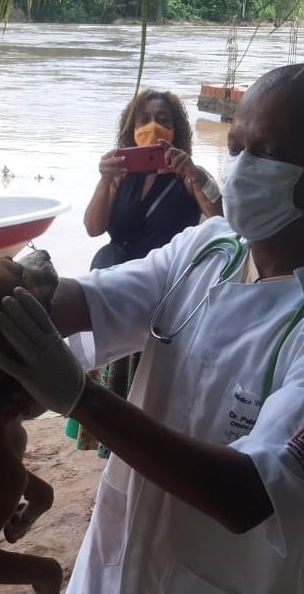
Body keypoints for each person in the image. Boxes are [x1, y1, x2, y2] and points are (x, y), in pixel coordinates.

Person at [0, 63, 304, 593]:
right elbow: (89, 300)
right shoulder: (207, 248)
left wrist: (84, 400)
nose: (241, 167)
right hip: (116, 564)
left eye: (268, 152)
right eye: (236, 146)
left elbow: (250, 494)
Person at [70, 89, 222, 457]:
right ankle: (111, 448)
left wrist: (194, 176)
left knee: (147, 381)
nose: (153, 127)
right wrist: (105, 178)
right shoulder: (121, 174)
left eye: (163, 119)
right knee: (112, 372)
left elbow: (222, 223)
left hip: (162, 292)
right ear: (130, 129)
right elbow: (92, 227)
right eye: (143, 120)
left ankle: (142, 452)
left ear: (177, 130)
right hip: (115, 284)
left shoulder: (192, 176)